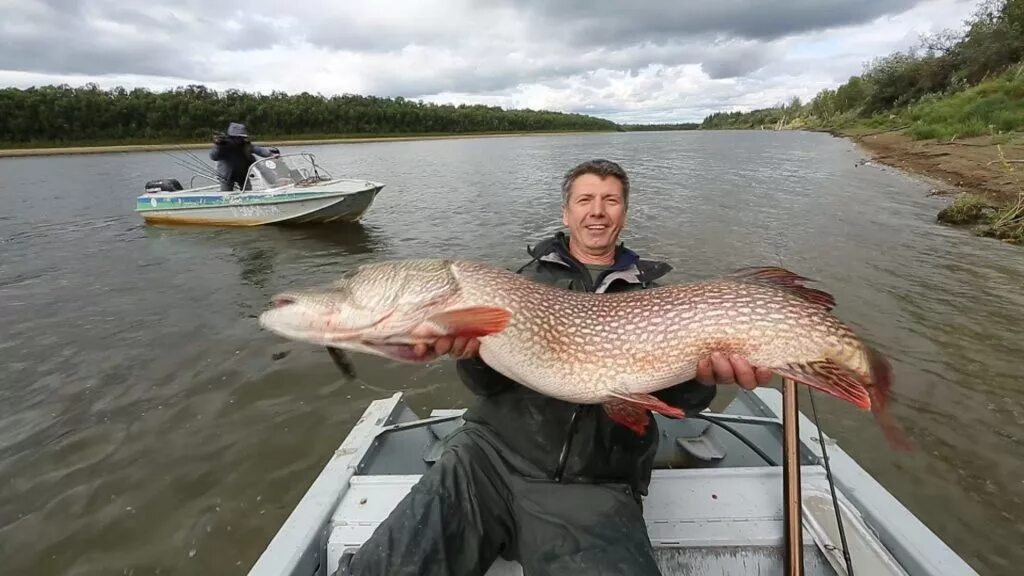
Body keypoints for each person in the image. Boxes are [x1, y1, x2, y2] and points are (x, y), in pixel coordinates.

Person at [341, 159, 773, 576]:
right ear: (566, 213)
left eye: (611, 200)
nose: (598, 211)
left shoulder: (659, 299)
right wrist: (467, 353)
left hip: (595, 484)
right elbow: (486, 387)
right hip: (486, 460)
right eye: (585, 200)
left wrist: (703, 378)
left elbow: (684, 403)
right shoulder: (519, 283)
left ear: (624, 212)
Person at [209, 122, 280, 191]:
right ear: (233, 137)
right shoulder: (223, 146)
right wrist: (218, 146)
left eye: (242, 137)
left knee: (248, 190)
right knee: (226, 193)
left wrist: (271, 154)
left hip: (243, 174)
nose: (241, 139)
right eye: (239, 137)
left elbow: (259, 150)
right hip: (227, 175)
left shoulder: (246, 145)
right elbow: (213, 157)